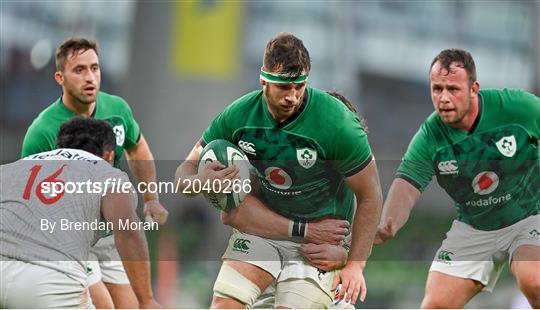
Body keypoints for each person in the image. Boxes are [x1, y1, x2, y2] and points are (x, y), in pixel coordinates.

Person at [176, 32, 383, 308]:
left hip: (317, 248)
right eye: (284, 87)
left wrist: (354, 265)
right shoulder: (238, 117)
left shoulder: (336, 122)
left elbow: (371, 194)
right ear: (263, 79)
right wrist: (200, 180)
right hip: (264, 234)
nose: (293, 97)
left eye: (300, 86)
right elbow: (183, 176)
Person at [375, 49, 540, 308]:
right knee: (435, 304)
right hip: (475, 226)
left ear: (474, 88)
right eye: (437, 89)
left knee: (534, 280)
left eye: (453, 89)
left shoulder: (518, 108)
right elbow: (407, 184)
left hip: (529, 214)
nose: (444, 98)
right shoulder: (431, 136)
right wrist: (388, 223)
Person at [20, 37, 168, 308]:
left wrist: (151, 199)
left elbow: (139, 149)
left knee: (132, 306)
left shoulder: (118, 109)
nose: (90, 77)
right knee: (102, 306)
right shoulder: (41, 132)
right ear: (60, 77)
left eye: (95, 68)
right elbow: (30, 199)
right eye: (79, 70)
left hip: (110, 232)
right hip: (69, 237)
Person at [0, 118, 159, 308]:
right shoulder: (108, 175)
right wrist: (146, 301)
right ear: (109, 155)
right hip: (48, 281)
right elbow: (128, 232)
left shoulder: (9, 169)